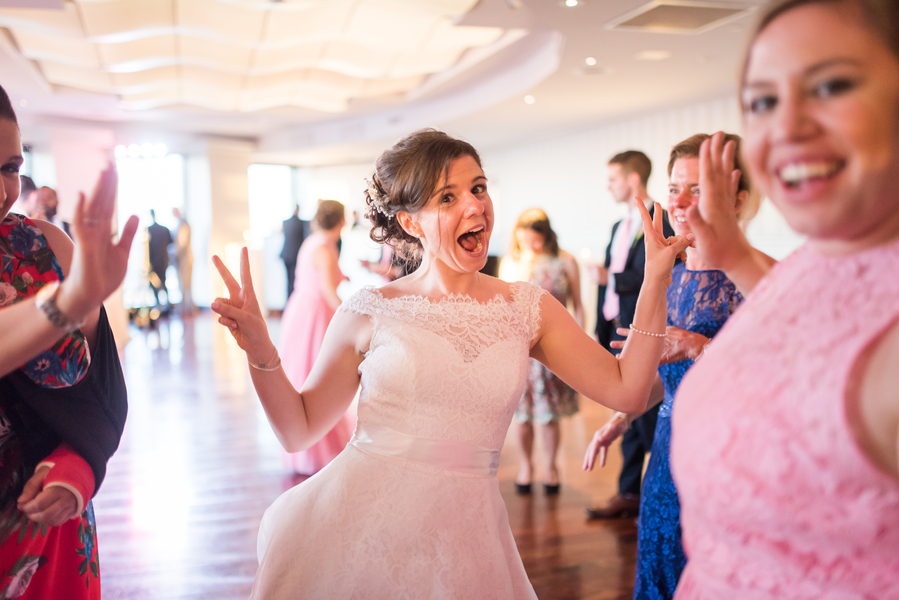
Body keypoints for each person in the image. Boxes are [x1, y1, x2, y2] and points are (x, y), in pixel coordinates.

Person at [210, 128, 692, 598]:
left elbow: (627, 390)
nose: (475, 206)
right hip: (358, 533)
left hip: (468, 542)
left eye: (478, 188)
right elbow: (298, 431)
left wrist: (655, 280)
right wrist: (261, 352)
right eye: (448, 197)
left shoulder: (529, 308)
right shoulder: (369, 310)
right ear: (410, 223)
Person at [668, 1, 899, 598]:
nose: (788, 127)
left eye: (831, 86)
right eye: (764, 101)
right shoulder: (813, 263)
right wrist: (735, 256)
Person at [584, 133, 762, 600]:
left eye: (697, 189)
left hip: (729, 455)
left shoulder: (760, 280)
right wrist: (621, 418)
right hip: (667, 449)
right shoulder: (671, 276)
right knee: (660, 561)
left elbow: (773, 384)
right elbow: (668, 374)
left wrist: (701, 346)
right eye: (674, 188)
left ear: (738, 199)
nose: (679, 202)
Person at [0, 83, 137, 598]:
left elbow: (104, 388)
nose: (1, 193)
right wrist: (67, 301)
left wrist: (78, 467)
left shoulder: (43, 245)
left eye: (9, 168)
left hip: (50, 520)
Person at [588, 150, 676, 520]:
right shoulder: (618, 226)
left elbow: (657, 273)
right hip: (617, 325)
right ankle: (628, 492)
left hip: (644, 327)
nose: (608, 186)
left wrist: (611, 278)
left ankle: (657, 494)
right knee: (625, 407)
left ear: (634, 179)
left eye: (613, 179)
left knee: (647, 410)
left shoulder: (660, 220)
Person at [499, 207, 584, 495]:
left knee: (549, 415)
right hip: (520, 349)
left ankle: (551, 467)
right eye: (524, 240)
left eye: (534, 240)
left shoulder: (566, 261)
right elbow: (504, 308)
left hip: (554, 347)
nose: (530, 246)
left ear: (545, 236)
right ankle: (526, 466)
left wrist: (578, 342)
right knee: (522, 415)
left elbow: (578, 305)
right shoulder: (511, 263)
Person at [278, 200, 355, 475]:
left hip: (300, 310)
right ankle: (317, 448)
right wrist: (352, 315)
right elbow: (327, 291)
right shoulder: (324, 248)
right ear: (342, 221)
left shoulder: (313, 242)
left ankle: (306, 443)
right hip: (316, 314)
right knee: (319, 376)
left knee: (304, 371)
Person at [280, 205, 309, 300]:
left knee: (288, 281)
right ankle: (292, 302)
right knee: (295, 281)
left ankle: (289, 301)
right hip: (295, 255)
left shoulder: (285, 222)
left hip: (286, 255)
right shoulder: (302, 223)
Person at [146, 209, 172, 308]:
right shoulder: (163, 229)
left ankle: (162, 305)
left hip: (155, 261)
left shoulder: (149, 230)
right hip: (162, 260)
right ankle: (165, 305)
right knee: (161, 282)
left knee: (157, 283)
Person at [172, 207, 194, 315]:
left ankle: (186, 308)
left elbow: (182, 243)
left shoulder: (183, 224)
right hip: (182, 259)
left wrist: (173, 252)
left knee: (185, 283)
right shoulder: (180, 224)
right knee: (184, 284)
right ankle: (187, 308)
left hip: (185, 259)